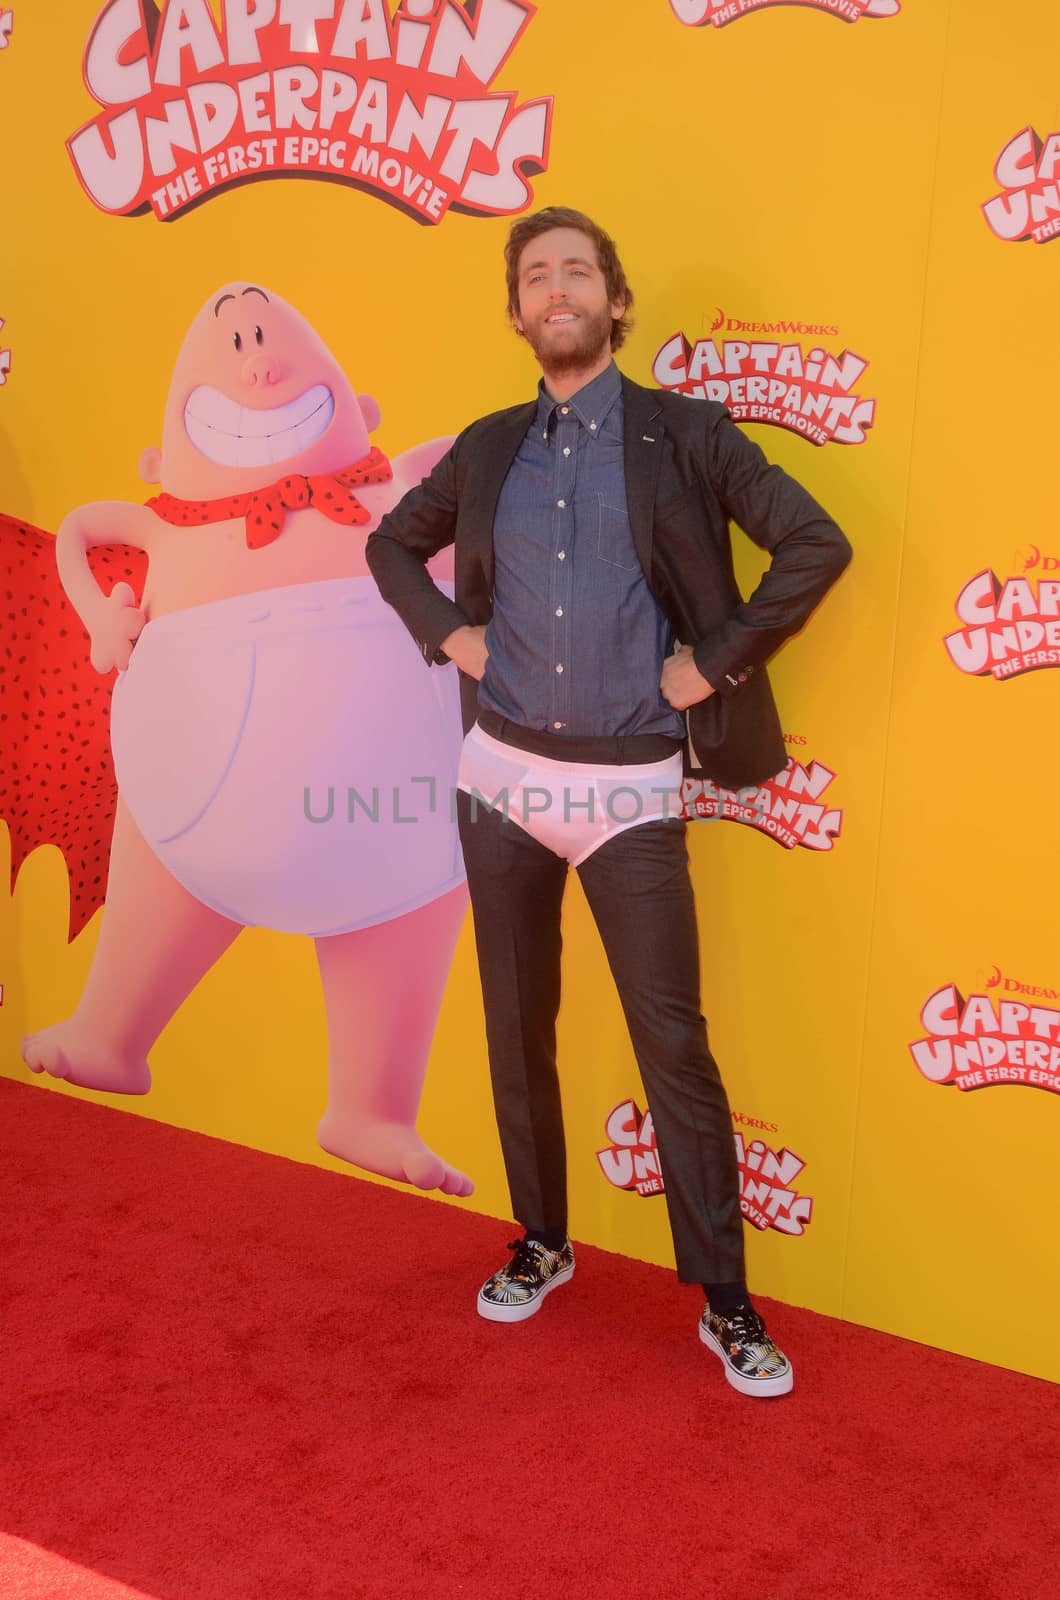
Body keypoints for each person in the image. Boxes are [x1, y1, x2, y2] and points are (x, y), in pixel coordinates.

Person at [366, 206, 851, 1398]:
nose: (558, 289)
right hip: (501, 783)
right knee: (513, 1028)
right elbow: (388, 548)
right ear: (519, 311)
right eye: (537, 276)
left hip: (633, 788)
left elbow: (814, 542)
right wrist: (448, 634)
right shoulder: (484, 449)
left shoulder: (685, 436)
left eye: (578, 271)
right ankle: (541, 1240)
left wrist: (718, 657)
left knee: (670, 1045)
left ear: (615, 303)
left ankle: (726, 1301)